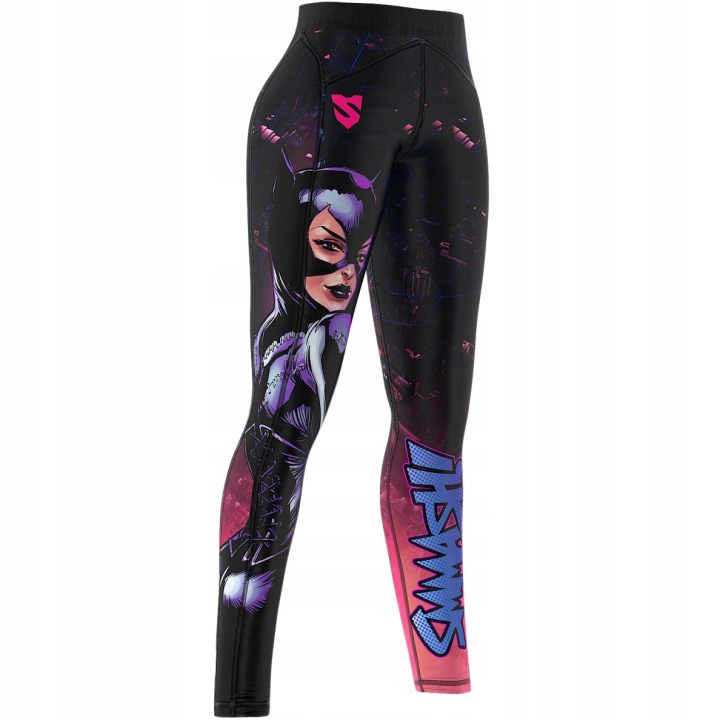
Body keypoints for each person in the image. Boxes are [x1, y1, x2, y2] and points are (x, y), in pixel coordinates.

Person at [215, 3, 489, 715]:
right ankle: (239, 697)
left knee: (437, 430)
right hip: (332, 83)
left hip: (452, 86)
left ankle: (445, 686)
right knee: (286, 416)